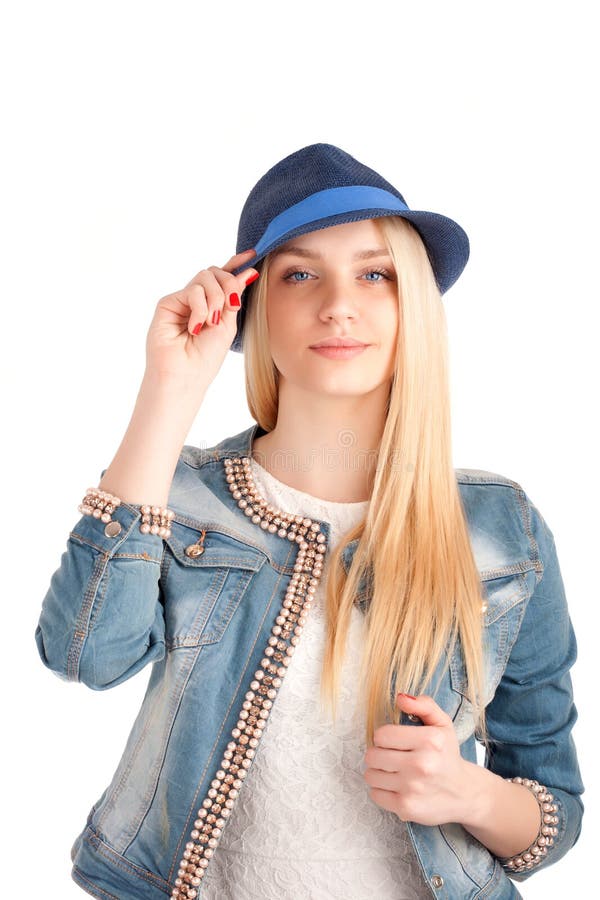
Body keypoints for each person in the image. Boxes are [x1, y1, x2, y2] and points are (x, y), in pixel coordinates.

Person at [35, 143, 584, 900]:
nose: (338, 305)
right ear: (251, 304)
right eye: (299, 274)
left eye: (374, 273)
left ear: (411, 302)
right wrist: (170, 389)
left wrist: (469, 795)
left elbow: (551, 808)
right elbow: (84, 656)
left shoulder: (501, 528)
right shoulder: (174, 493)